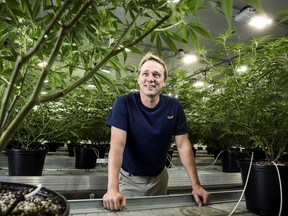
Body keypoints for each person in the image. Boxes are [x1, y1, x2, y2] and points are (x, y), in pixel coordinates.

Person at [102, 52, 209, 211]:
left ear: (164, 81)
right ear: (138, 78)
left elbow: (183, 145)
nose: (150, 78)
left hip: (159, 179)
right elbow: (117, 145)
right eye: (145, 74)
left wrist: (196, 185)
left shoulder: (174, 107)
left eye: (156, 75)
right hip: (128, 180)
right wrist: (112, 188)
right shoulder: (124, 103)